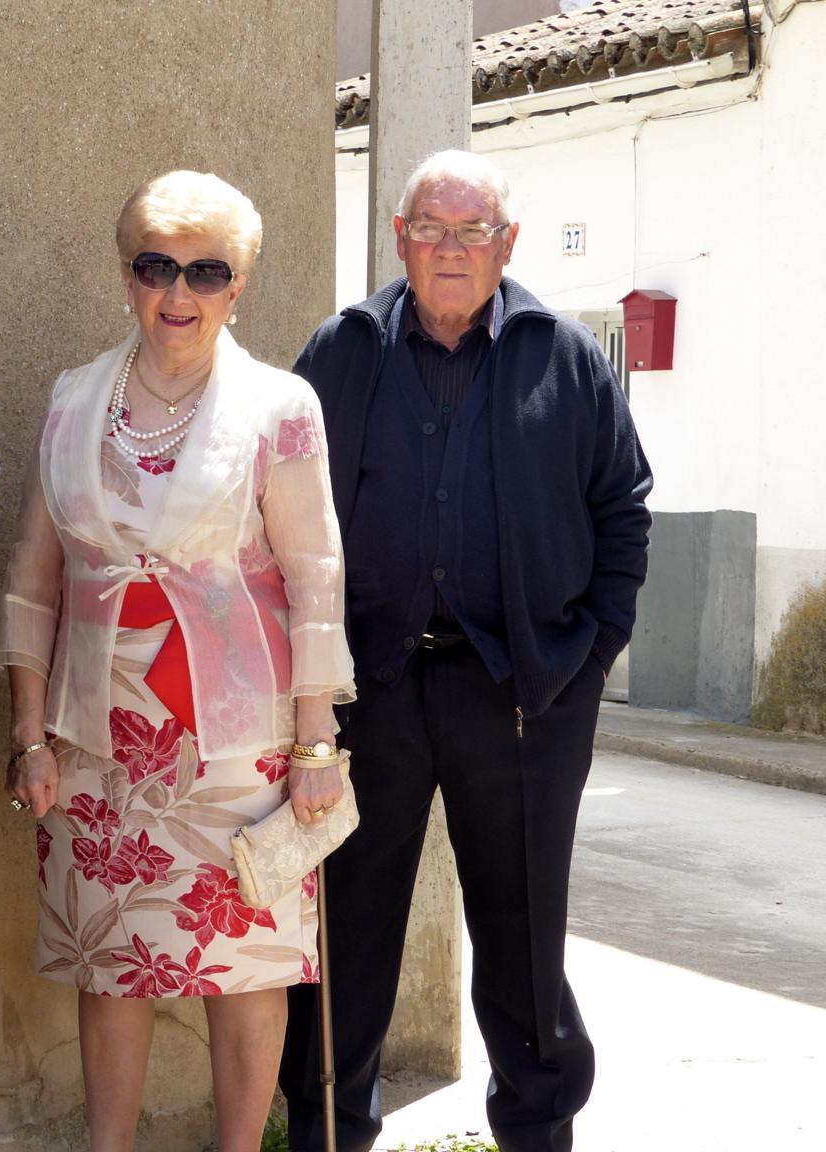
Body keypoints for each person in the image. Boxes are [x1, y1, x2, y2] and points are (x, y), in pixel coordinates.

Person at [279, 150, 653, 1152]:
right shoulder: (344, 350)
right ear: (399, 238)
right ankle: (327, 1133)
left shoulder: (563, 357)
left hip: (523, 697)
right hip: (367, 695)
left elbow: (623, 508)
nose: (450, 248)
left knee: (525, 943)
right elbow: (281, 512)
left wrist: (586, 660)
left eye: (472, 230)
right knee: (346, 936)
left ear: (507, 244)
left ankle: (537, 1132)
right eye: (430, 229)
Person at [0, 170, 357, 1152]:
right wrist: (30, 733)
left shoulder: (280, 404)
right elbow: (32, 576)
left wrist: (316, 743)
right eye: (157, 267)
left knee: (247, 971)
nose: (179, 292)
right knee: (113, 968)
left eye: (207, 271)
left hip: (239, 738)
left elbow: (315, 576)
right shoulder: (75, 399)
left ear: (239, 285)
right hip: (95, 733)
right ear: (128, 277)